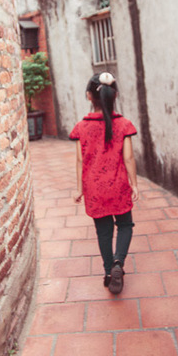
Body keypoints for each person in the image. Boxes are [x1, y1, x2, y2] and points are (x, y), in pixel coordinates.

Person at [70, 72, 139, 294]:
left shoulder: (82, 127)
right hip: (118, 185)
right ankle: (119, 262)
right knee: (125, 225)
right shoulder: (123, 124)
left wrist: (79, 189)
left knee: (104, 231)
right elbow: (128, 158)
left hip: (94, 188)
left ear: (89, 96)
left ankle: (109, 272)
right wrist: (134, 184)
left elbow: (80, 160)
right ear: (115, 95)